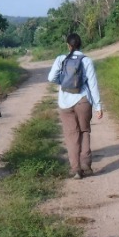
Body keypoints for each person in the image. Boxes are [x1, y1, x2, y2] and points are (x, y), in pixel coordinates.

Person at [47, 33, 103, 179]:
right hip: (83, 100)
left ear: (68, 45)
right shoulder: (86, 60)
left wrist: (64, 82)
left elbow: (50, 77)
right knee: (84, 131)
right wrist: (98, 106)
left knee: (71, 135)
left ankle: (76, 169)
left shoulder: (61, 59)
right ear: (80, 44)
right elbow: (93, 84)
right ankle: (86, 165)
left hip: (65, 102)